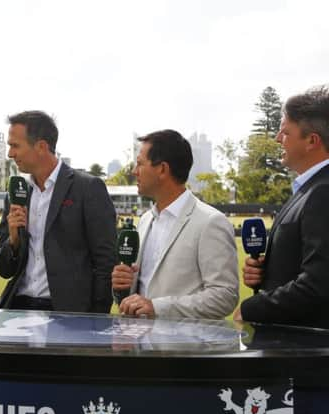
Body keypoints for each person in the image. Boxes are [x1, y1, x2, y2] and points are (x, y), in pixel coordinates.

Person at [0, 111, 117, 313]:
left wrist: (95, 318)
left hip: (68, 314)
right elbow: (3, 269)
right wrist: (13, 242)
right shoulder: (17, 193)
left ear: (41, 146)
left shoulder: (87, 188)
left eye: (15, 145)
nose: (10, 154)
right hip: (18, 309)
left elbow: (106, 260)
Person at [112, 130, 238, 319]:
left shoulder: (210, 222)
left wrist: (158, 307)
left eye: (139, 164)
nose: (134, 171)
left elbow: (224, 296)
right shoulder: (145, 221)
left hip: (183, 346)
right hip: (138, 343)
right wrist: (122, 287)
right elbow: (140, 291)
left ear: (162, 169)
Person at [238, 85, 329, 328]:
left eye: (285, 132)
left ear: (312, 140)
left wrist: (251, 309)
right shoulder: (309, 189)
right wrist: (263, 275)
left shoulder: (323, 191)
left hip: (306, 353)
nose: (278, 139)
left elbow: (317, 285)